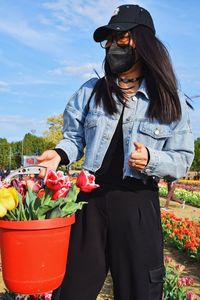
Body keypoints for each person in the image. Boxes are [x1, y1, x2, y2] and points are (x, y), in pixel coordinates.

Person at [37, 4, 194, 300]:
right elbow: (74, 137)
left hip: (137, 206)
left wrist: (152, 160)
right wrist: (59, 155)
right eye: (109, 40)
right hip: (89, 204)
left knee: (140, 291)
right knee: (70, 289)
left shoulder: (170, 99)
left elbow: (183, 160)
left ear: (143, 42)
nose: (112, 46)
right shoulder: (91, 91)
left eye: (121, 38)